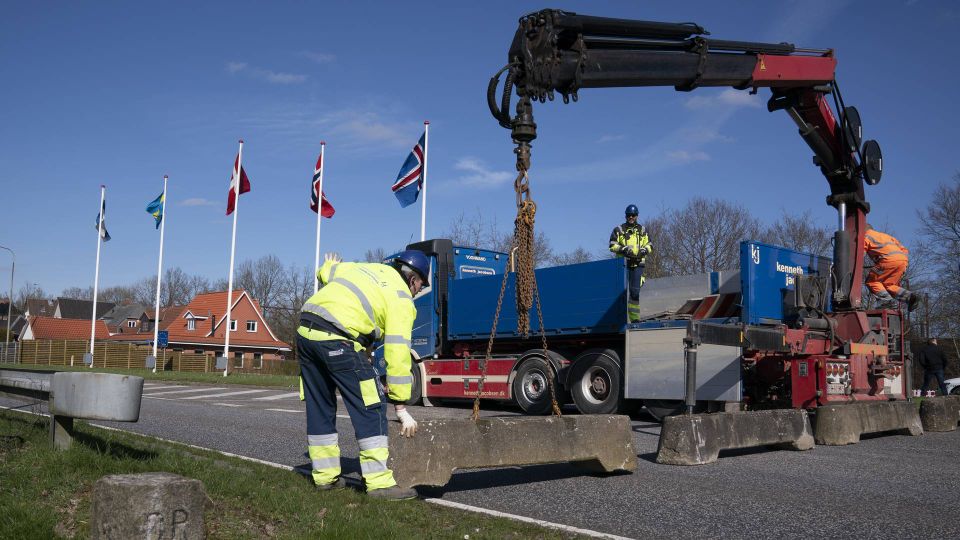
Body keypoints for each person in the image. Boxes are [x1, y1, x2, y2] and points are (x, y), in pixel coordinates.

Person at [297, 249, 428, 500]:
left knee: (321, 406)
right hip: (338, 339)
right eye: (420, 286)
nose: (418, 291)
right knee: (372, 405)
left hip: (305, 333)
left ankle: (325, 478)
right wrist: (400, 405)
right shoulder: (401, 297)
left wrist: (327, 266)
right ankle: (379, 484)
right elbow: (398, 351)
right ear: (412, 279)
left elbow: (327, 272)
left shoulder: (365, 268)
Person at [609, 204, 653, 323]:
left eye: (633, 215)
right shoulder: (618, 230)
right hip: (623, 265)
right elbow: (612, 245)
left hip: (638, 264)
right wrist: (623, 249)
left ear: (637, 216)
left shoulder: (643, 230)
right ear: (626, 216)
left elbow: (650, 245)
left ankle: (634, 320)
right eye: (629, 215)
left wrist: (644, 250)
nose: (631, 217)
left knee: (635, 292)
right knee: (620, 294)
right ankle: (619, 320)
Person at [864, 223, 918, 311]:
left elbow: (859, 256)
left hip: (887, 261)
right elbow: (904, 250)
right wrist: (901, 262)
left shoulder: (866, 237)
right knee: (888, 285)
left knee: (871, 281)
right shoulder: (886, 236)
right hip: (903, 261)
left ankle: (887, 302)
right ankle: (910, 297)